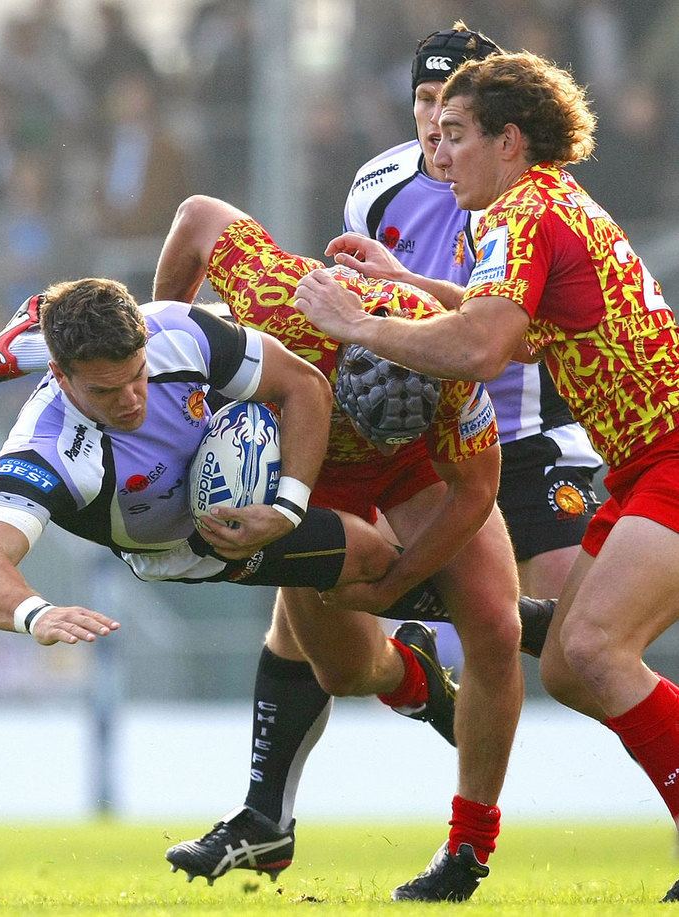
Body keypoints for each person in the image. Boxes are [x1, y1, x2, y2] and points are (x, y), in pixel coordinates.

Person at [294, 49, 679, 904]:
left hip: (672, 456)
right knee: (576, 667)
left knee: (588, 649)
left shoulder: (527, 213)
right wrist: (402, 285)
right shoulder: (530, 208)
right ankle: (469, 836)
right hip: (642, 463)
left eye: (458, 132)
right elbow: (513, 324)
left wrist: (359, 320)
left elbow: (479, 346)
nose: (439, 144)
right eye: (434, 125)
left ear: (509, 140)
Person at [151, 194, 524, 896]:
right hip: (307, 451)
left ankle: (468, 850)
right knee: (347, 673)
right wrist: (169, 351)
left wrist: (393, 582)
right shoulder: (281, 302)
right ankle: (410, 675)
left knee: (496, 623)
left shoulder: (448, 361)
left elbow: (473, 491)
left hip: (419, 466)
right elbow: (198, 216)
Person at [0, 278, 470, 648]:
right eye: (106, 391)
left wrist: (288, 507)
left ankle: (486, 629)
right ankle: (430, 674)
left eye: (137, 375)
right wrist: (34, 613)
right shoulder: (46, 450)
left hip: (220, 434)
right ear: (61, 378)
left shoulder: (169, 331)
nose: (132, 399)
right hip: (189, 544)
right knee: (367, 557)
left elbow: (304, 384)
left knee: (272, 338)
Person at [343, 22, 602, 600]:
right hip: (424, 437)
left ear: (497, 129)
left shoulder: (526, 201)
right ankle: (422, 674)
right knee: (332, 608)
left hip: (525, 434)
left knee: (572, 633)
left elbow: (492, 344)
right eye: (425, 100)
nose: (436, 124)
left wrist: (366, 317)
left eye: (452, 109)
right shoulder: (375, 187)